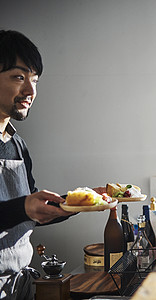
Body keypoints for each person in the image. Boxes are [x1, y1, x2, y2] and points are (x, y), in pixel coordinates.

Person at [0, 30, 77, 300]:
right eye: (19, 77)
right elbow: (23, 208)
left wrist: (80, 201)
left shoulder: (18, 145)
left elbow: (31, 214)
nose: (31, 91)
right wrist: (24, 207)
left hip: (20, 286)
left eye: (35, 80)